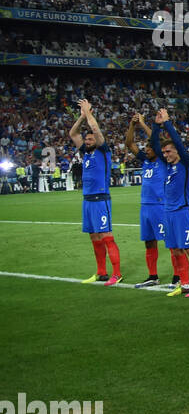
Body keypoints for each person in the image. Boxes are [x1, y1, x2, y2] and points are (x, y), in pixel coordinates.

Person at [149, 108, 189, 301]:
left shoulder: (186, 164)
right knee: (175, 249)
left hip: (183, 212)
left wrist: (167, 123)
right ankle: (184, 284)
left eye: (168, 151)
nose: (165, 155)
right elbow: (154, 145)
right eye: (164, 152)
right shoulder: (167, 166)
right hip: (168, 213)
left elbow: (179, 144)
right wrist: (156, 126)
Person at [71, 98, 120, 285]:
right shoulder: (86, 152)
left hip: (101, 200)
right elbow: (73, 132)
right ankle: (101, 272)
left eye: (90, 139)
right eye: (87, 139)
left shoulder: (103, 151)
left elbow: (97, 130)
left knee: (106, 236)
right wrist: (82, 117)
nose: (88, 141)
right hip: (87, 200)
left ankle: (117, 273)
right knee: (94, 237)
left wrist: (89, 114)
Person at [125, 113, 165, 288]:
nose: (146, 150)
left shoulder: (163, 161)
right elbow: (129, 144)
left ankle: (178, 276)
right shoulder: (146, 161)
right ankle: (152, 276)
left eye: (149, 148)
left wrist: (142, 123)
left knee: (170, 241)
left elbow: (158, 140)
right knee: (149, 242)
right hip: (145, 207)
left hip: (160, 206)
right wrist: (133, 126)